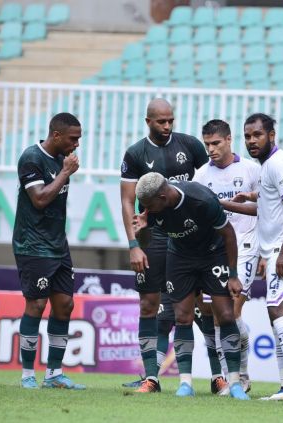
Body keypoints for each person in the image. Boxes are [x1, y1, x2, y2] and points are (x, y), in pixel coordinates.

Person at [133, 172, 249, 400]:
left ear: (163, 197)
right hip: (179, 257)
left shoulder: (201, 200)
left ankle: (235, 382)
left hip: (213, 255)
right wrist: (144, 228)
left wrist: (233, 275)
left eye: (149, 206)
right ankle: (185, 383)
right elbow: (145, 240)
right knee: (183, 318)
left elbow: (229, 234)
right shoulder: (148, 203)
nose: (145, 208)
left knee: (225, 315)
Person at [119, 98, 208, 393]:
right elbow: (127, 200)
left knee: (195, 307)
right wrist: (134, 245)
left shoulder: (191, 146)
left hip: (186, 236)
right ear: (148, 122)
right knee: (149, 305)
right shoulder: (135, 154)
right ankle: (150, 377)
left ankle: (220, 375)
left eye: (171, 120)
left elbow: (208, 185)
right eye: (161, 121)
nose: (168, 126)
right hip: (154, 238)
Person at [236, 113, 283, 401]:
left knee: (279, 311)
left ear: (271, 136)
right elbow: (267, 209)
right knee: (277, 314)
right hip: (278, 249)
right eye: (247, 136)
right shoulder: (267, 166)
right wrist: (227, 203)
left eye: (257, 135)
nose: (251, 141)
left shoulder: (279, 163)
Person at [13, 112, 84, 390]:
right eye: (73, 138)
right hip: (33, 244)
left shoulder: (60, 158)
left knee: (65, 305)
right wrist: (66, 172)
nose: (77, 144)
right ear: (56, 135)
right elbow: (40, 199)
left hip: (57, 244)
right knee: (37, 305)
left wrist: (64, 169)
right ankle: (28, 375)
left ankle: (54, 374)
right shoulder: (32, 158)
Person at [193, 119, 261, 393]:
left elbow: (266, 210)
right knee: (218, 314)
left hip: (246, 246)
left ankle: (236, 379)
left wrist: (267, 253)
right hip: (215, 253)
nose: (211, 149)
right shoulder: (200, 176)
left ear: (229, 140)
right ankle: (238, 368)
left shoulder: (251, 170)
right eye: (207, 144)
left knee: (229, 313)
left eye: (216, 143)